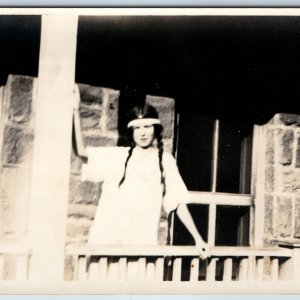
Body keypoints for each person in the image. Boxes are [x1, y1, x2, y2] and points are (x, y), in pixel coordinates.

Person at [73, 97, 210, 259]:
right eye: (137, 127)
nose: (143, 133)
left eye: (147, 126)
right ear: (131, 131)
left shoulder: (165, 161)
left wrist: (198, 239)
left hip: (140, 245)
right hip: (108, 243)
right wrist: (75, 110)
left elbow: (178, 202)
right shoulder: (118, 156)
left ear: (155, 129)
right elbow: (81, 151)